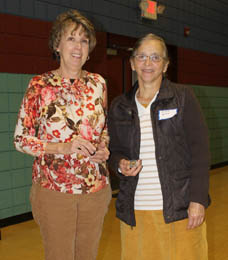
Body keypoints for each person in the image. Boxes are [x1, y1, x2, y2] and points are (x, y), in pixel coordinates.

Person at [14, 9, 111, 260]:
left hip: (95, 189)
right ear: (57, 44)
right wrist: (62, 148)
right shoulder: (40, 85)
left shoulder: (98, 84)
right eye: (71, 38)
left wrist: (103, 148)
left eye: (84, 40)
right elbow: (20, 139)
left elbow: (104, 129)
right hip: (54, 191)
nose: (78, 46)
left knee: (87, 255)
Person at [108, 33, 210, 260]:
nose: (148, 63)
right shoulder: (119, 106)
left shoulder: (183, 97)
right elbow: (113, 152)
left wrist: (198, 200)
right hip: (136, 209)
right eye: (142, 56)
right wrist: (119, 164)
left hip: (179, 209)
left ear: (165, 65)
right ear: (132, 63)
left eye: (155, 57)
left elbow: (200, 151)